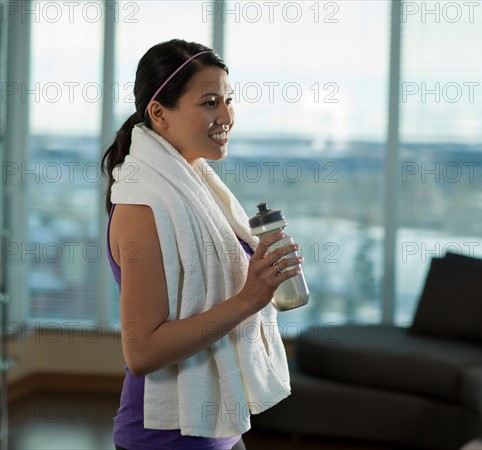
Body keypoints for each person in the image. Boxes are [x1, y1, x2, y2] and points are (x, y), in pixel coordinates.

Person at [101, 39, 302, 450]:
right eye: (210, 102)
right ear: (159, 113)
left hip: (219, 428)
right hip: (164, 438)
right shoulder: (142, 206)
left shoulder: (200, 189)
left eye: (229, 100)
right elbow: (142, 352)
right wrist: (250, 297)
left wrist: (264, 273)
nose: (227, 115)